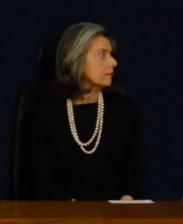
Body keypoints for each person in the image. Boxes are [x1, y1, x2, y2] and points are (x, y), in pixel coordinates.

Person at [19, 23, 145, 201]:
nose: (113, 62)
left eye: (111, 55)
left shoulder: (125, 111)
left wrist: (127, 199)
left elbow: (133, 176)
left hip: (114, 221)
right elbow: (40, 183)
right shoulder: (44, 115)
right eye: (102, 55)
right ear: (76, 59)